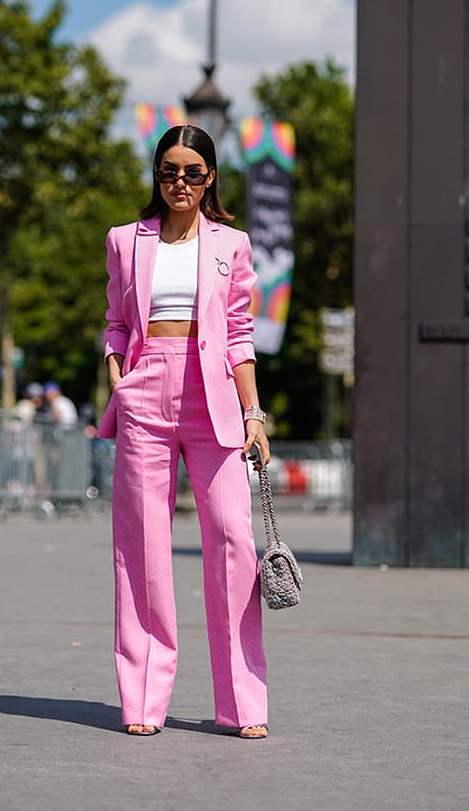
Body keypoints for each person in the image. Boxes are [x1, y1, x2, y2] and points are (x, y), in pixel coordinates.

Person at [98, 124, 271, 739]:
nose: (180, 182)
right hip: (145, 391)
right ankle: (143, 699)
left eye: (193, 172)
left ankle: (242, 704)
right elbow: (118, 320)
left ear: (211, 178)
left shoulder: (233, 243)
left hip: (214, 395)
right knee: (143, 547)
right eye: (169, 171)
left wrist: (254, 415)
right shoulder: (126, 240)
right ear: (157, 175)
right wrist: (118, 367)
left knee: (233, 542)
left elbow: (240, 334)